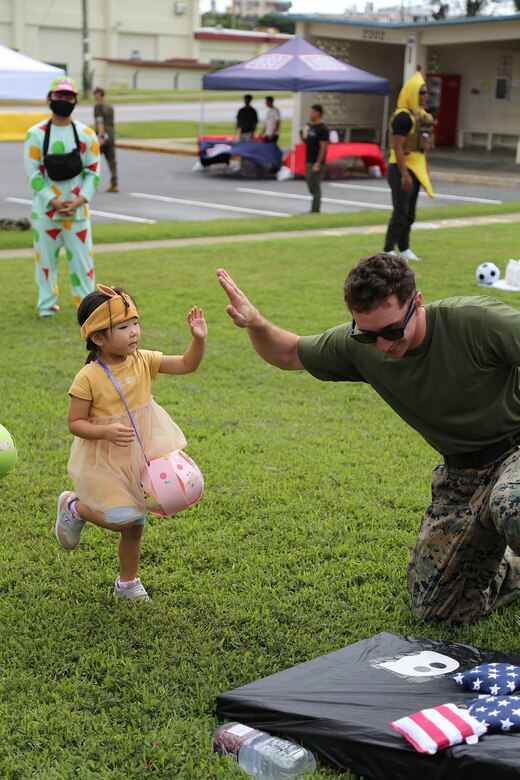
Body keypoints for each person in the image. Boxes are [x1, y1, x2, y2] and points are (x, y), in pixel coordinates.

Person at [217, 256, 520, 625]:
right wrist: (257, 324)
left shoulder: (478, 321)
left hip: (515, 447)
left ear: (417, 303)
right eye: (367, 334)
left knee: (512, 503)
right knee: (437, 610)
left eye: (392, 332)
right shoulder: (361, 345)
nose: (382, 346)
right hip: (463, 476)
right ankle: (510, 567)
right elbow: (288, 353)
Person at [55, 284, 207, 602]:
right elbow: (75, 423)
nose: (134, 332)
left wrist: (198, 340)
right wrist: (107, 431)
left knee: (136, 523)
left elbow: (186, 365)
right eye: (123, 327)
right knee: (119, 518)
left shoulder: (142, 360)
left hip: (140, 450)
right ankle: (75, 506)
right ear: (98, 338)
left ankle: (127, 584)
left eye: (135, 323)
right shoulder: (88, 377)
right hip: (105, 457)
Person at [23, 76, 100, 318]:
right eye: (59, 95)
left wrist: (79, 200)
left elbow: (93, 172)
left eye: (69, 96)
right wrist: (52, 201)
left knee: (83, 265)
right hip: (45, 213)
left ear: (76, 101)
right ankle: (47, 306)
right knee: (45, 263)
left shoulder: (87, 135)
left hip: (77, 213)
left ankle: (87, 309)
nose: (64, 100)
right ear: (49, 98)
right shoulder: (35, 134)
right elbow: (33, 171)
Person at [384, 68, 434, 262]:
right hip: (401, 169)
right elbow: (397, 147)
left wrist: (426, 170)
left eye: (426, 92)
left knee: (410, 213)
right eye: (422, 92)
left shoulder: (421, 116)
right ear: (413, 93)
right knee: (400, 211)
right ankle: (388, 249)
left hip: (417, 169)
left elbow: (423, 148)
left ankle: (404, 247)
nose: (425, 96)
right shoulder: (402, 117)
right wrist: (404, 174)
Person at [301, 104, 329, 213]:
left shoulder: (323, 129)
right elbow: (307, 142)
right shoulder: (311, 127)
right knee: (309, 182)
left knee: (315, 185)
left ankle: (315, 209)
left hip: (316, 161)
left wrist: (318, 163)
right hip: (309, 159)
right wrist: (302, 133)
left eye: (312, 112)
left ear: (318, 113)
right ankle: (314, 207)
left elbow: (323, 147)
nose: (310, 114)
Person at [93, 86, 118, 192]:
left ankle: (92, 183)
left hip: (102, 136)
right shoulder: (110, 106)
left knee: (93, 160)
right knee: (112, 161)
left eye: (95, 94)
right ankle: (114, 184)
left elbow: (100, 121)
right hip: (111, 136)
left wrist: (101, 136)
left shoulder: (98, 106)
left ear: (99, 94)